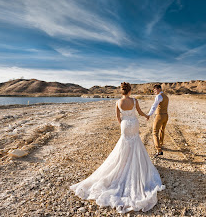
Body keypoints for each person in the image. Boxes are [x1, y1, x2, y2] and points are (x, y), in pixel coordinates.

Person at [70, 82, 165, 214]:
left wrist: (123, 125)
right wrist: (146, 116)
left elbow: (118, 117)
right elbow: (140, 112)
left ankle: (123, 164)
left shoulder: (118, 102)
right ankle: (135, 165)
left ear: (121, 91)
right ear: (130, 91)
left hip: (125, 125)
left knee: (124, 145)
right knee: (136, 143)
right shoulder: (134, 100)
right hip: (134, 124)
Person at [147, 84, 169, 157]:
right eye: (154, 90)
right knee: (162, 130)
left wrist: (149, 114)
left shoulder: (159, 96)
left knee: (155, 132)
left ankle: (159, 150)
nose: (154, 91)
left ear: (159, 89)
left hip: (159, 116)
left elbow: (154, 106)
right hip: (166, 115)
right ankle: (161, 144)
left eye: (155, 90)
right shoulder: (166, 96)